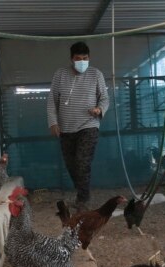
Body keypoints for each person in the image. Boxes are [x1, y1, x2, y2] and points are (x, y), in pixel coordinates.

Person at [47, 41, 109, 212]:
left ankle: (83, 199)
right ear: (71, 59)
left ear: (89, 58)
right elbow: (52, 100)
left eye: (85, 58)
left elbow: (104, 98)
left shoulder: (96, 74)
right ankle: (82, 194)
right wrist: (53, 122)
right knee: (71, 165)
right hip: (66, 128)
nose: (82, 61)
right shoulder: (60, 75)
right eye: (78, 58)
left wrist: (99, 109)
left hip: (88, 125)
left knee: (82, 162)